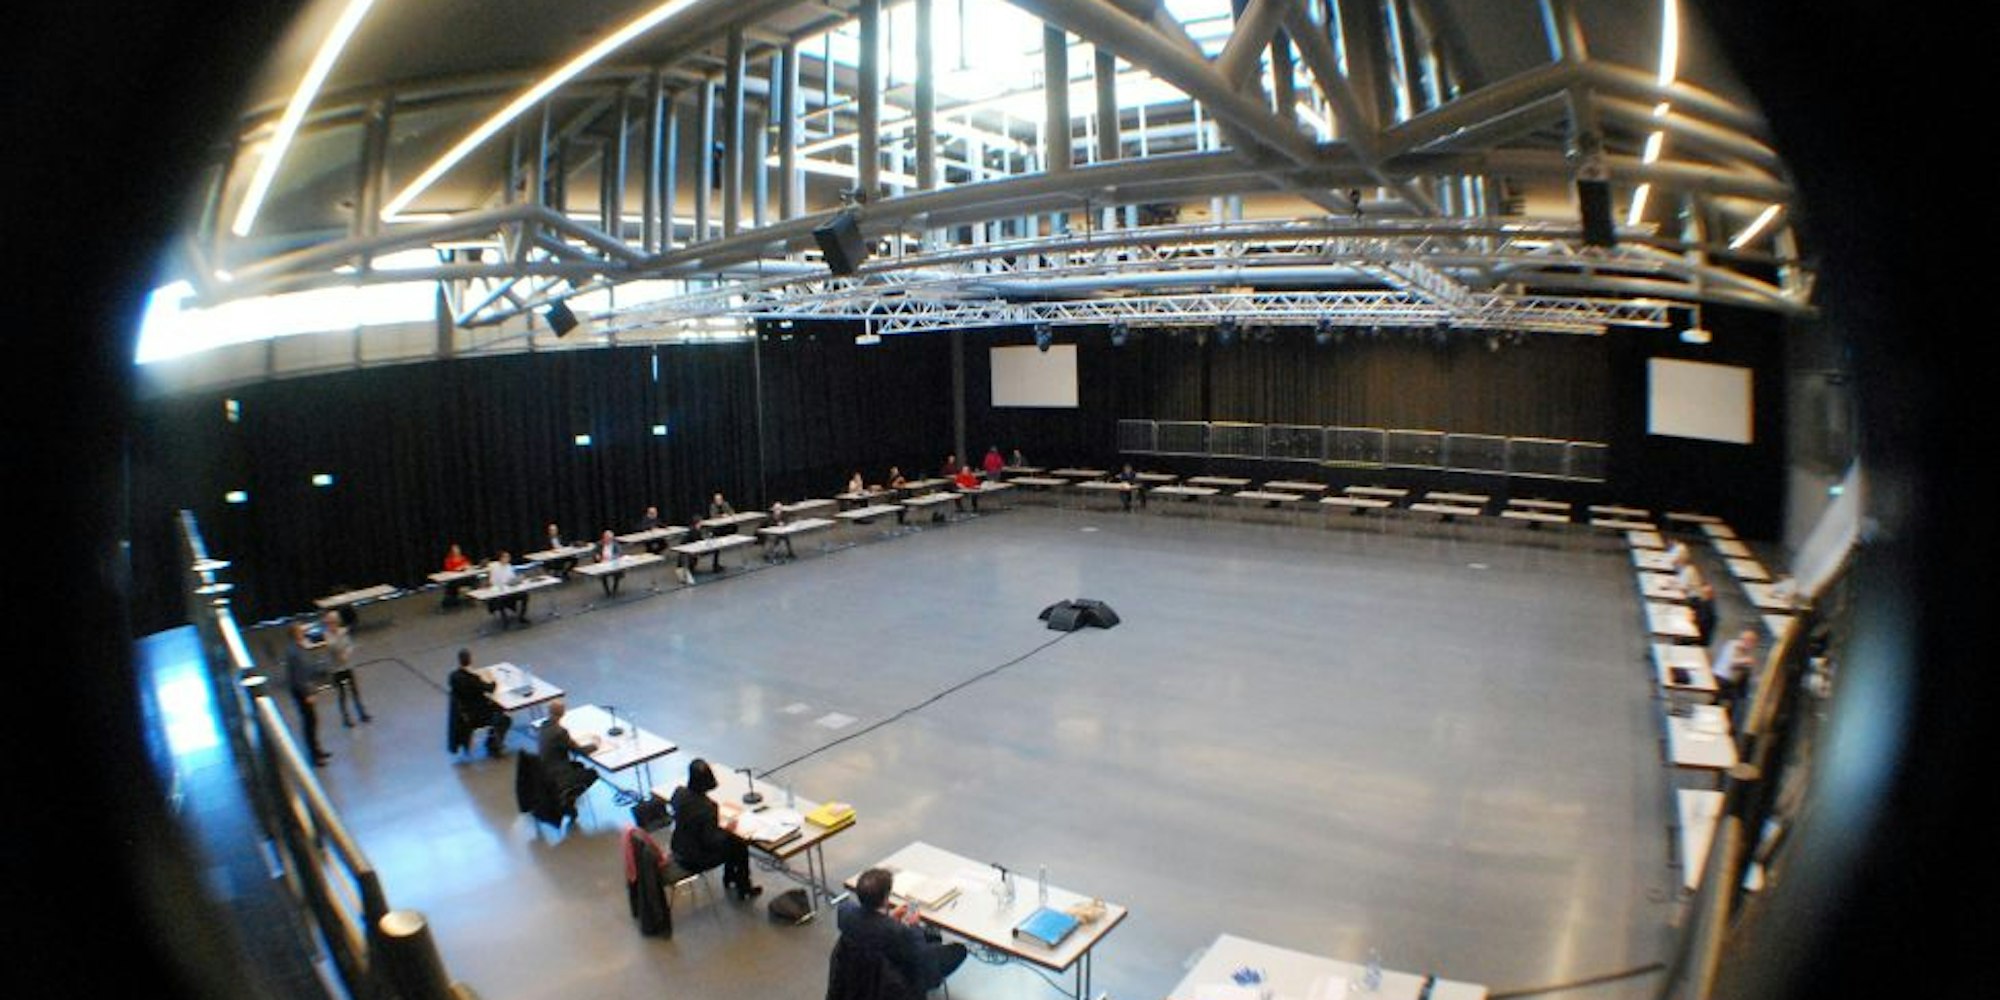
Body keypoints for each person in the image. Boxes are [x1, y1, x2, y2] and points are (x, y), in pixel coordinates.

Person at [834, 867, 968, 994]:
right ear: (886, 898)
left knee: (932, 936)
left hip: (860, 977)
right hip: (898, 982)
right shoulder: (900, 933)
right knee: (959, 949)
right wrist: (914, 926)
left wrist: (888, 917)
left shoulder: (845, 913)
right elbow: (921, 957)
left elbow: (872, 924)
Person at [667, 759, 762, 900]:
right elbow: (713, 841)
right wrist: (727, 829)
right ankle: (743, 887)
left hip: (678, 849)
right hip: (695, 860)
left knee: (732, 842)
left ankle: (730, 878)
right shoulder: (707, 807)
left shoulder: (678, 793)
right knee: (739, 845)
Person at [447, 647, 511, 756]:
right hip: (477, 716)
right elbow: (490, 688)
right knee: (505, 719)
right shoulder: (472, 679)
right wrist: (493, 679)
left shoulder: (453, 677)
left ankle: (493, 736)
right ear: (470, 660)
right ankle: (494, 744)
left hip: (464, 714)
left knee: (497, 708)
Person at [282, 622, 331, 767]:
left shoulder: (300, 647)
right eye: (300, 631)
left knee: (312, 721)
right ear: (295, 634)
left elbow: (307, 668)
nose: (303, 632)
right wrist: (307, 694)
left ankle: (317, 750)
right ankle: (314, 755)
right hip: (301, 691)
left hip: (305, 688)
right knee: (310, 722)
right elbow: (299, 676)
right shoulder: (294, 652)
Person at [537, 699, 599, 812]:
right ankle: (567, 799)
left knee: (579, 765)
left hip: (545, 771)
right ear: (563, 713)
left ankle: (566, 794)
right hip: (558, 774)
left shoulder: (543, 726)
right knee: (592, 773)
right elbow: (580, 751)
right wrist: (595, 745)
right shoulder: (560, 732)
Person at [319, 609, 370, 726]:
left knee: (355, 691)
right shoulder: (327, 635)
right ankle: (346, 719)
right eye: (332, 622)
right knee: (342, 695)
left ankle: (362, 713)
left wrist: (347, 653)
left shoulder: (342, 632)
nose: (334, 624)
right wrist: (339, 638)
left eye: (336, 621)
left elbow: (349, 645)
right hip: (336, 670)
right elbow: (333, 647)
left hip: (347, 667)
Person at [1712, 628, 1760, 716]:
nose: (1753, 646)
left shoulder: (1745, 651)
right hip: (1721, 679)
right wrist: (1745, 661)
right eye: (1751, 642)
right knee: (1731, 700)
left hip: (1731, 682)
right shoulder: (1732, 645)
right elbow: (1731, 662)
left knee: (1737, 700)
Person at [487, 549, 530, 628]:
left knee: (524, 595)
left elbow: (511, 578)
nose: (508, 558)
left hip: (510, 589)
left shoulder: (509, 566)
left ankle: (521, 616)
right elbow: (494, 581)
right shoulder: (494, 566)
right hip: (500, 591)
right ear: (500, 558)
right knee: (500, 600)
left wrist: (517, 580)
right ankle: (505, 619)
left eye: (508, 557)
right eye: (506, 557)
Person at [592, 529, 624, 597]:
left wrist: (611, 557)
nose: (609, 540)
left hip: (613, 563)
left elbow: (619, 553)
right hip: (603, 563)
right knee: (603, 575)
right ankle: (607, 591)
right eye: (607, 538)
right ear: (604, 538)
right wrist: (596, 556)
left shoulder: (615, 543)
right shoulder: (599, 544)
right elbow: (594, 552)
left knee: (617, 573)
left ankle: (615, 589)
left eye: (610, 538)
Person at [1689, 580, 1718, 645]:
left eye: (1705, 594)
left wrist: (1694, 618)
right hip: (1698, 632)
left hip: (1700, 638)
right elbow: (1691, 602)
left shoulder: (1710, 606)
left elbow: (1701, 622)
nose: (1702, 595)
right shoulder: (1705, 601)